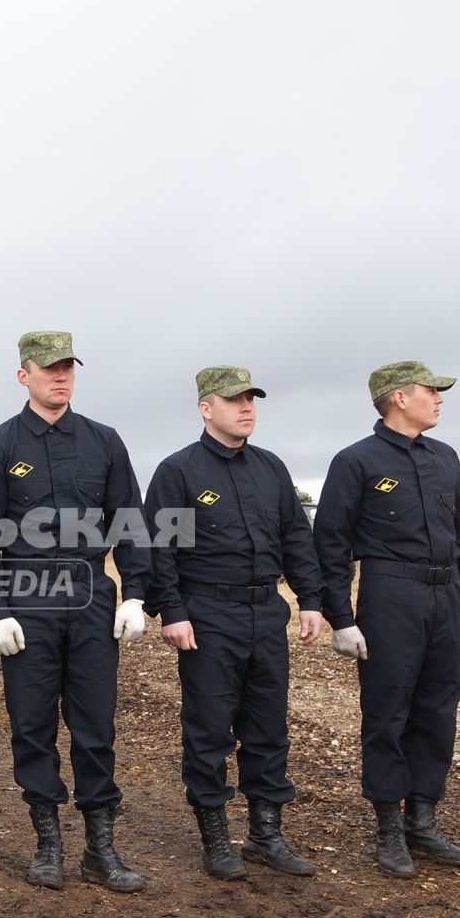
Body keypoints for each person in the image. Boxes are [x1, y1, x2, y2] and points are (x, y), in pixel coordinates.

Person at [0, 331, 151, 894]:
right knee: (33, 724)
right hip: (27, 596)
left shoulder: (105, 442)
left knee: (95, 726)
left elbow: (130, 524)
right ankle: (48, 842)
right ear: (24, 375)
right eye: (49, 368)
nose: (60, 376)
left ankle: (101, 848)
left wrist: (137, 594)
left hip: (92, 595)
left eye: (68, 366)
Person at [142, 367, 325, 880]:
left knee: (268, 728)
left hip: (267, 612)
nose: (246, 408)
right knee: (209, 729)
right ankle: (216, 836)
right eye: (234, 400)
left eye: (251, 400)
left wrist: (310, 598)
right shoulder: (178, 471)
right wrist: (172, 611)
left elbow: (296, 538)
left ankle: (266, 834)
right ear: (206, 408)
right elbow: (159, 549)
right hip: (207, 616)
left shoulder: (271, 469)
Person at [313, 361, 460, 878]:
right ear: (398, 398)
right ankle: (389, 827)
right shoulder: (356, 461)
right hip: (390, 595)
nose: (440, 399)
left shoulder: (445, 458)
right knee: (389, 712)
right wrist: (341, 617)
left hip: (446, 595)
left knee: (437, 709)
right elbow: (331, 543)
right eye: (432, 391)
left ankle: (423, 822)